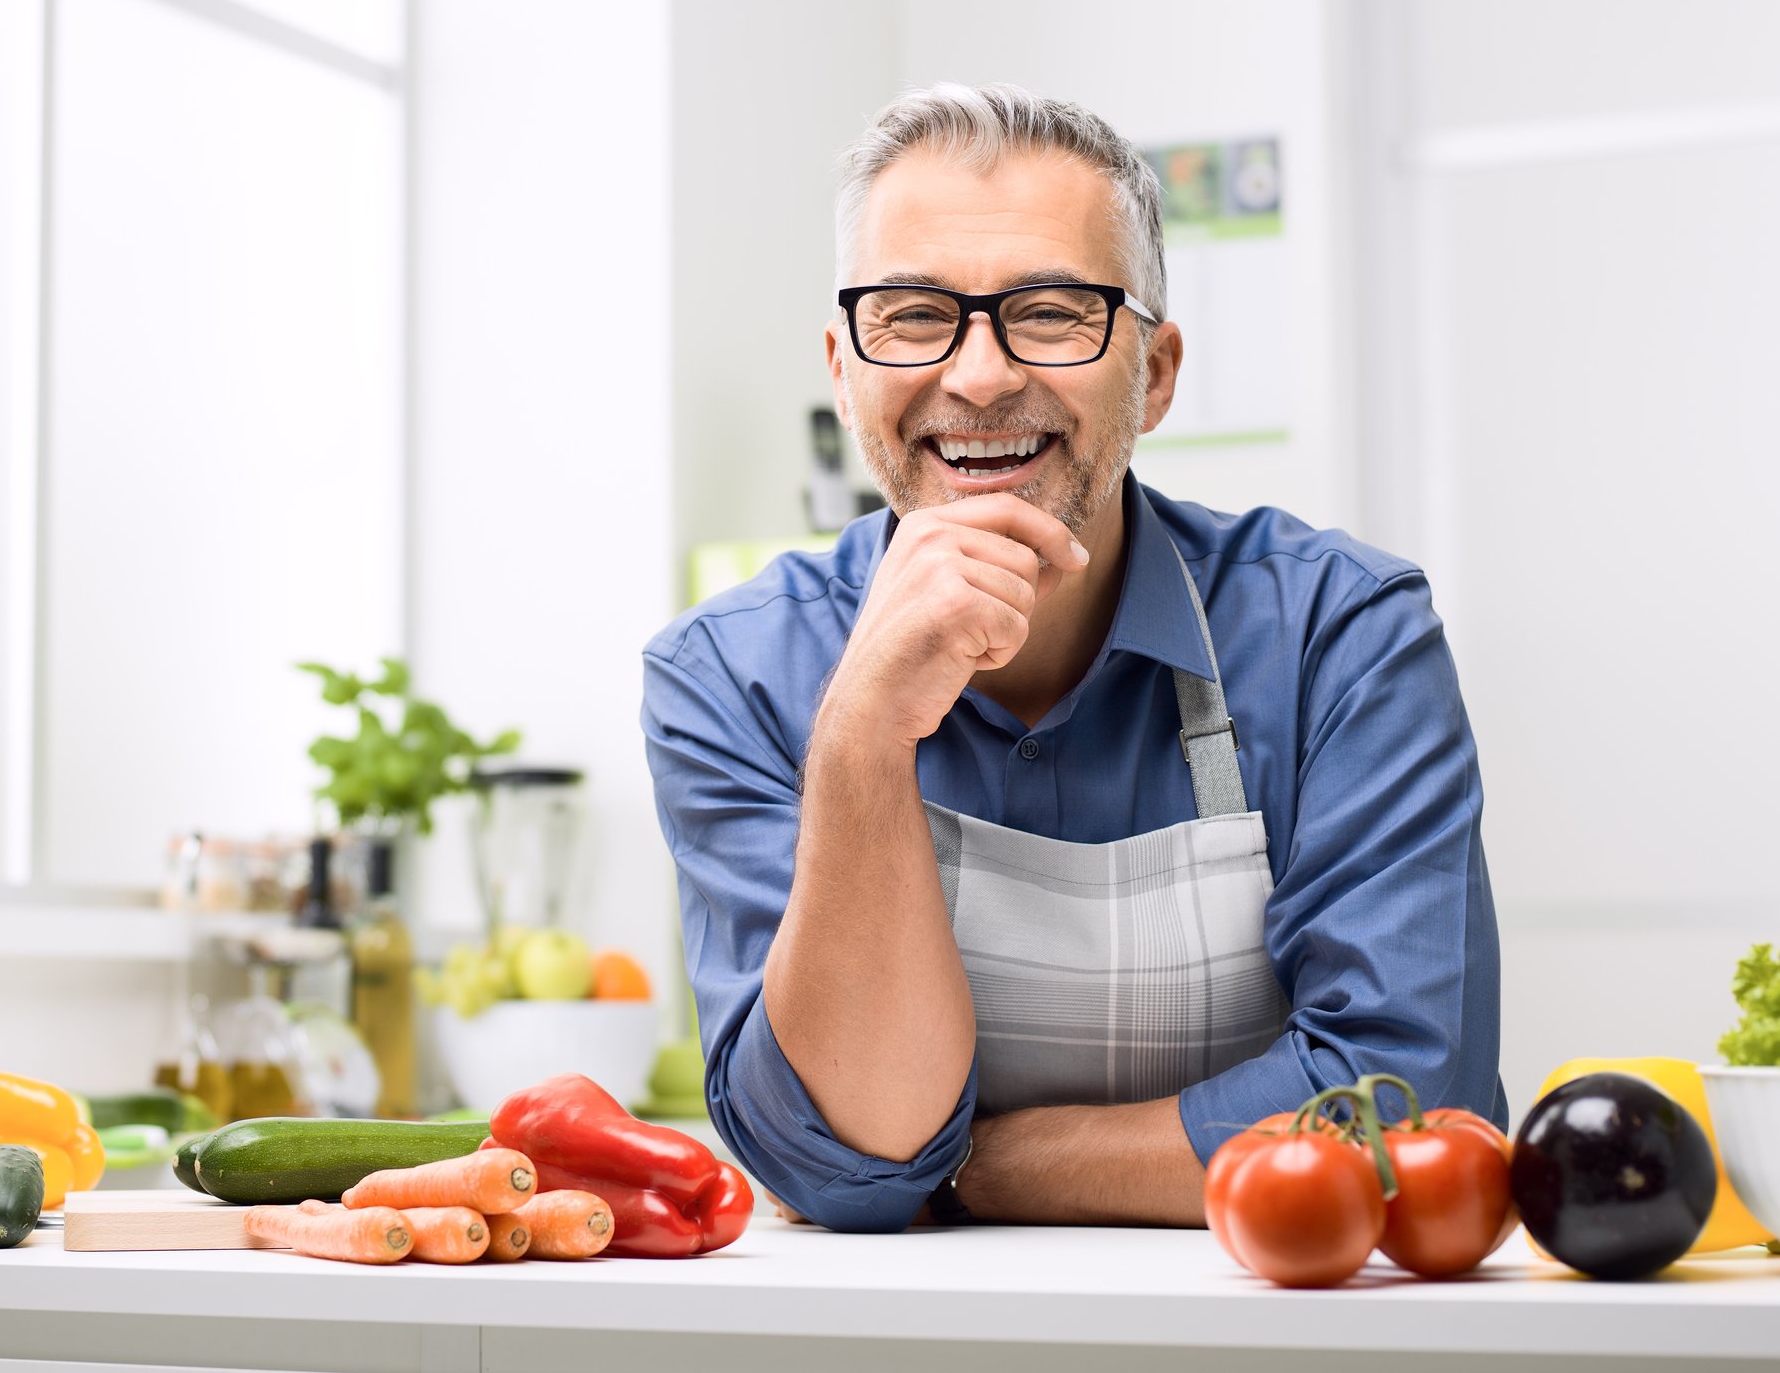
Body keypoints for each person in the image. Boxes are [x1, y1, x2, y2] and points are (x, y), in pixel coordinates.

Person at [641, 83, 1504, 1232]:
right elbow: (844, 1159)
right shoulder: (731, 677)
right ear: (846, 370)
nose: (983, 374)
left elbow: (1407, 1100)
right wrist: (858, 735)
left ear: (1152, 371)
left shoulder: (1341, 637)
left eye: (1050, 311)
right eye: (911, 314)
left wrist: (991, 1168)